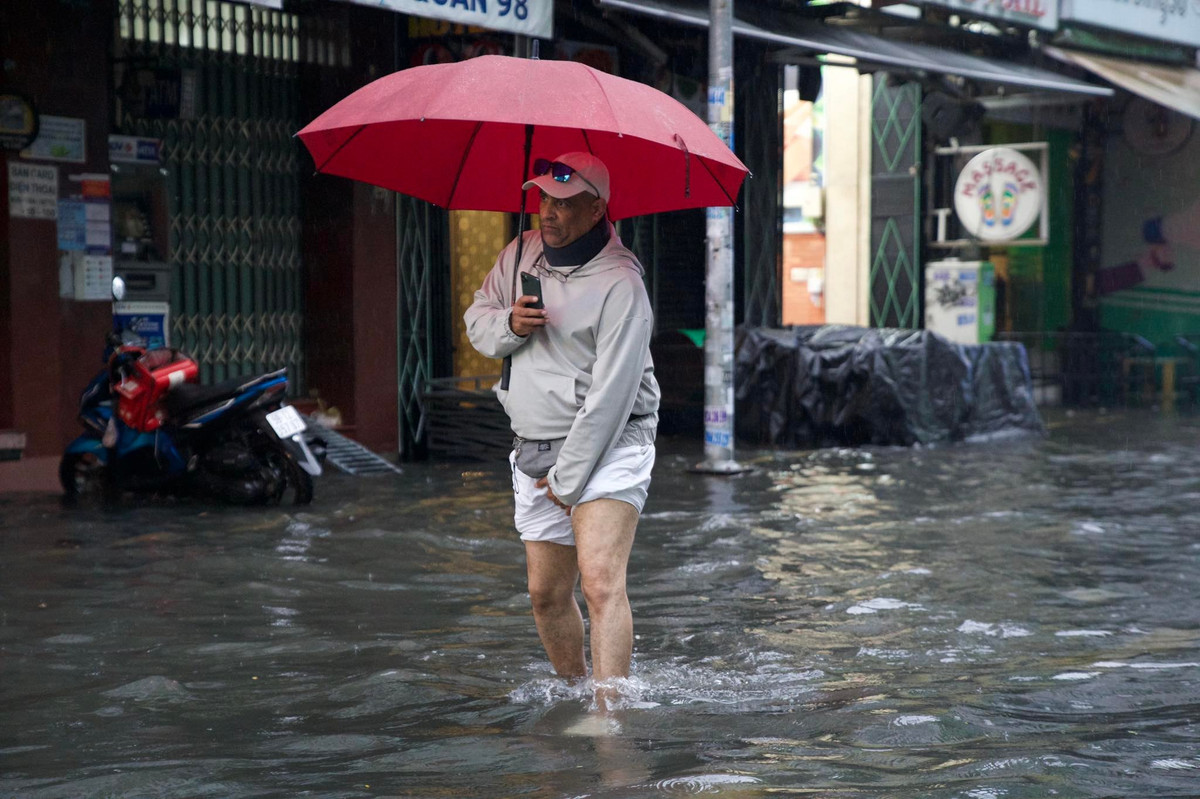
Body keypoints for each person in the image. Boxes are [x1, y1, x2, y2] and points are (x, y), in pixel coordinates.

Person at [464, 151, 660, 709]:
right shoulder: (521, 253)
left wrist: (570, 478)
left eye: (564, 202)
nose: (547, 211)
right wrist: (508, 323)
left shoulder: (622, 284)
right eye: (543, 197)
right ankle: (577, 692)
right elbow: (478, 316)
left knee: (599, 582)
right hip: (533, 444)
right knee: (546, 594)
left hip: (610, 443)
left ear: (596, 209)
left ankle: (610, 713)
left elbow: (612, 396)